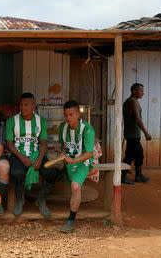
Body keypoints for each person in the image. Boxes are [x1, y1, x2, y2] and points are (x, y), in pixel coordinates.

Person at [6, 93, 61, 218]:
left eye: (26, 104)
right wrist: (21, 157)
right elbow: (9, 144)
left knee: (51, 173)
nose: (22, 107)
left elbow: (43, 144)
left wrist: (39, 159)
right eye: (21, 104)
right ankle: (19, 200)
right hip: (17, 155)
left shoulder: (40, 121)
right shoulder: (12, 121)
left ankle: (41, 199)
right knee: (17, 173)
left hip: (36, 154)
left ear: (33, 106)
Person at [59, 100, 95, 233]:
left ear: (78, 114)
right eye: (66, 115)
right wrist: (61, 156)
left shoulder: (87, 129)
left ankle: (70, 220)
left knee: (75, 186)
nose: (68, 118)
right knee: (50, 173)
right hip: (68, 160)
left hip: (82, 161)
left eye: (71, 114)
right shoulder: (62, 126)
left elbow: (89, 153)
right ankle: (41, 201)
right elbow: (63, 146)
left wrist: (74, 160)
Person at [122, 83, 151, 184]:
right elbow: (137, 119)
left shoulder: (131, 101)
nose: (143, 93)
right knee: (129, 156)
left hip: (133, 134)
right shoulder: (132, 102)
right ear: (134, 91)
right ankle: (122, 177)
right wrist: (146, 133)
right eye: (141, 91)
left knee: (139, 155)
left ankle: (138, 175)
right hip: (132, 134)